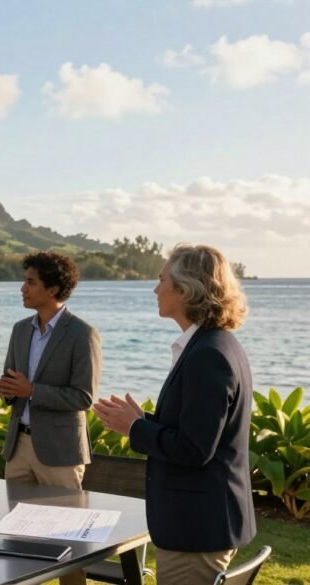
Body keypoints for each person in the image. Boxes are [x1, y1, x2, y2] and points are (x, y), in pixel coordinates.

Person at [93, 244, 256, 583]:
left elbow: (195, 449)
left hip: (196, 532)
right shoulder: (212, 345)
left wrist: (136, 428)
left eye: (162, 280)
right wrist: (144, 421)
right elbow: (198, 429)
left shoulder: (207, 355)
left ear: (186, 289)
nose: (155, 289)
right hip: (199, 525)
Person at [0, 251, 101, 491]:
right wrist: (7, 391)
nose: (23, 288)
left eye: (31, 282)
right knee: (14, 523)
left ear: (52, 289)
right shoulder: (20, 330)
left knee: (64, 522)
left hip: (60, 452)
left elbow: (83, 397)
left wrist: (31, 390)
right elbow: (10, 383)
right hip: (18, 448)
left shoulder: (82, 334)